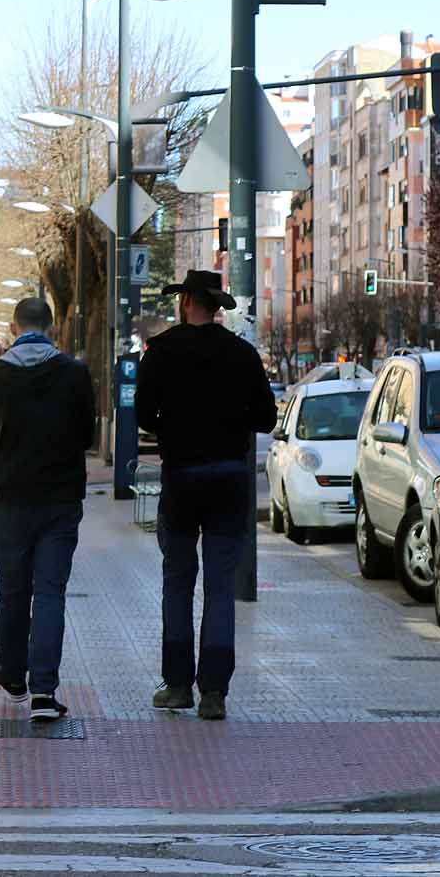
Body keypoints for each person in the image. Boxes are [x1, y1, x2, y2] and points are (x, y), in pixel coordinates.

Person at [135, 270, 277, 721]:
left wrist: (176, 428)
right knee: (219, 587)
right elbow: (267, 418)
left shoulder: (161, 352)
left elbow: (143, 414)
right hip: (230, 482)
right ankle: (213, 693)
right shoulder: (242, 354)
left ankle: (178, 686)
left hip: (181, 480)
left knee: (177, 580)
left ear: (186, 302)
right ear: (215, 306)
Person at [0, 298, 96, 721]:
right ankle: (45, 693)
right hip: (61, 499)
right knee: (50, 593)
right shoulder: (75, 373)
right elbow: (87, 434)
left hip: (10, 496)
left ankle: (13, 676)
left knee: (13, 589)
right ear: (51, 328)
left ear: (13, 328)